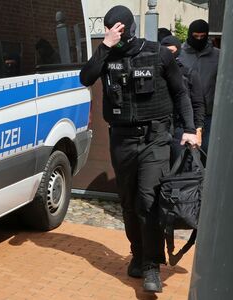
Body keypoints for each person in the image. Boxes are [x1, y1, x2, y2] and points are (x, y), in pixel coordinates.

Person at [78, 6, 200, 293]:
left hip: (155, 138)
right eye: (110, 30)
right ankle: (137, 253)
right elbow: (86, 78)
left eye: (117, 29)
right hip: (121, 139)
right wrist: (104, 47)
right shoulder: (107, 56)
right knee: (129, 201)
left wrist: (190, 131)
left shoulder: (159, 54)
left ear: (129, 27)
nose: (114, 34)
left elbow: (181, 93)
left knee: (149, 200)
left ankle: (151, 266)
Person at [161, 35, 206, 162]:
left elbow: (198, 104)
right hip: (161, 129)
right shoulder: (157, 74)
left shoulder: (189, 74)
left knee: (182, 168)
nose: (167, 55)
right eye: (164, 51)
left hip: (182, 128)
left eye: (170, 51)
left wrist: (198, 130)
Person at [179, 19, 219, 154]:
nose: (199, 39)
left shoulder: (218, 56)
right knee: (186, 155)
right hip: (186, 114)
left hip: (209, 114)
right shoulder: (180, 55)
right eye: (195, 36)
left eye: (202, 36)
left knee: (207, 152)